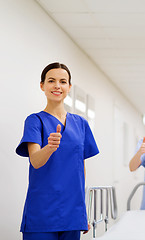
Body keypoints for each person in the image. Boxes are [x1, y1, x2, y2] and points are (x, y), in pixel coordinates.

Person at [16, 62, 99, 240]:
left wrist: (82, 212)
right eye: (51, 81)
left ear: (69, 87)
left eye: (63, 81)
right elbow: (36, 161)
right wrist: (50, 147)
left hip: (72, 211)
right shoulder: (34, 121)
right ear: (42, 86)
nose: (57, 86)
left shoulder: (81, 124)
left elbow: (80, 169)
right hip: (42, 212)